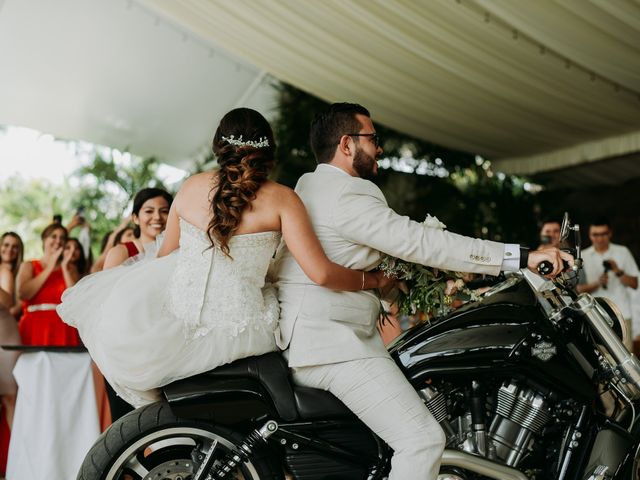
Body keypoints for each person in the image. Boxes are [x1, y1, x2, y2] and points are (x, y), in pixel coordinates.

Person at [273, 102, 572, 480]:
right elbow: (419, 243)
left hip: (320, 340)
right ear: (347, 144)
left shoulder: (310, 185)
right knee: (422, 440)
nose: (379, 148)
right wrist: (523, 257)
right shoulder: (347, 194)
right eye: (373, 138)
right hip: (333, 347)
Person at [57, 107, 391, 407]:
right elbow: (321, 274)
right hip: (240, 333)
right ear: (269, 148)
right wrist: (374, 280)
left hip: (171, 329)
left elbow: (163, 255)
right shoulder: (283, 200)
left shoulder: (190, 188)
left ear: (220, 145)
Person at [577, 217, 638, 349]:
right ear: (590, 235)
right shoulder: (582, 257)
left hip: (622, 314)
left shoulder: (622, 252)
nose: (599, 238)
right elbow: (577, 290)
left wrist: (618, 271)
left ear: (610, 233)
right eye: (595, 234)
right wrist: (596, 284)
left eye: (603, 234)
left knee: (627, 355)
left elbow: (634, 284)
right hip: (596, 316)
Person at [16, 223, 81, 346]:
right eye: (54, 236)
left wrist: (64, 268)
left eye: (62, 238)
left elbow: (75, 301)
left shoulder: (70, 268)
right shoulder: (29, 265)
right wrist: (49, 267)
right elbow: (23, 294)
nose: (58, 241)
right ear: (44, 240)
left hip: (63, 329)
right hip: (34, 327)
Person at [103, 188, 173, 269]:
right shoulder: (120, 252)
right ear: (135, 218)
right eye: (149, 211)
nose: (157, 217)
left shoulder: (179, 248)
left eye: (164, 211)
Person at [0, 232, 24, 319]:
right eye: (6, 245)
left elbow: (19, 305)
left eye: (15, 247)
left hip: (10, 323)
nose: (10, 249)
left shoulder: (23, 271)